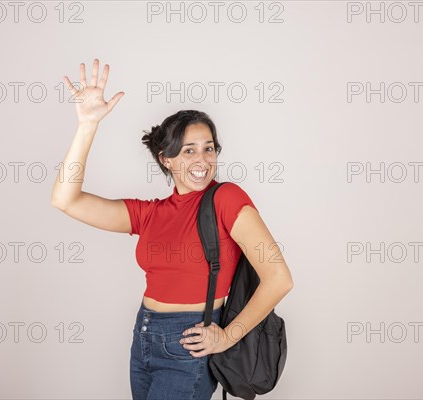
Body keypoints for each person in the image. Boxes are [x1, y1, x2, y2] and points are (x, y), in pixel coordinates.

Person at [51, 59, 294, 400]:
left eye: (209, 148)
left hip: (189, 344)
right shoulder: (151, 214)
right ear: (166, 158)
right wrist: (87, 126)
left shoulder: (226, 198)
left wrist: (227, 336)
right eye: (188, 150)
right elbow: (66, 200)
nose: (202, 159)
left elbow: (279, 278)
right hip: (144, 337)